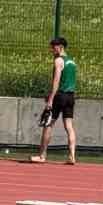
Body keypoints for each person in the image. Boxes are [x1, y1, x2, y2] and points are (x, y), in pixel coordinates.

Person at [32, 36, 78, 164]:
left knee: (48, 124)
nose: (52, 50)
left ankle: (42, 155)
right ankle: (72, 156)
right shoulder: (72, 62)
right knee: (69, 126)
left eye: (54, 47)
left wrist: (50, 99)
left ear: (61, 47)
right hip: (70, 96)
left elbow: (56, 80)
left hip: (60, 96)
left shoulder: (59, 60)